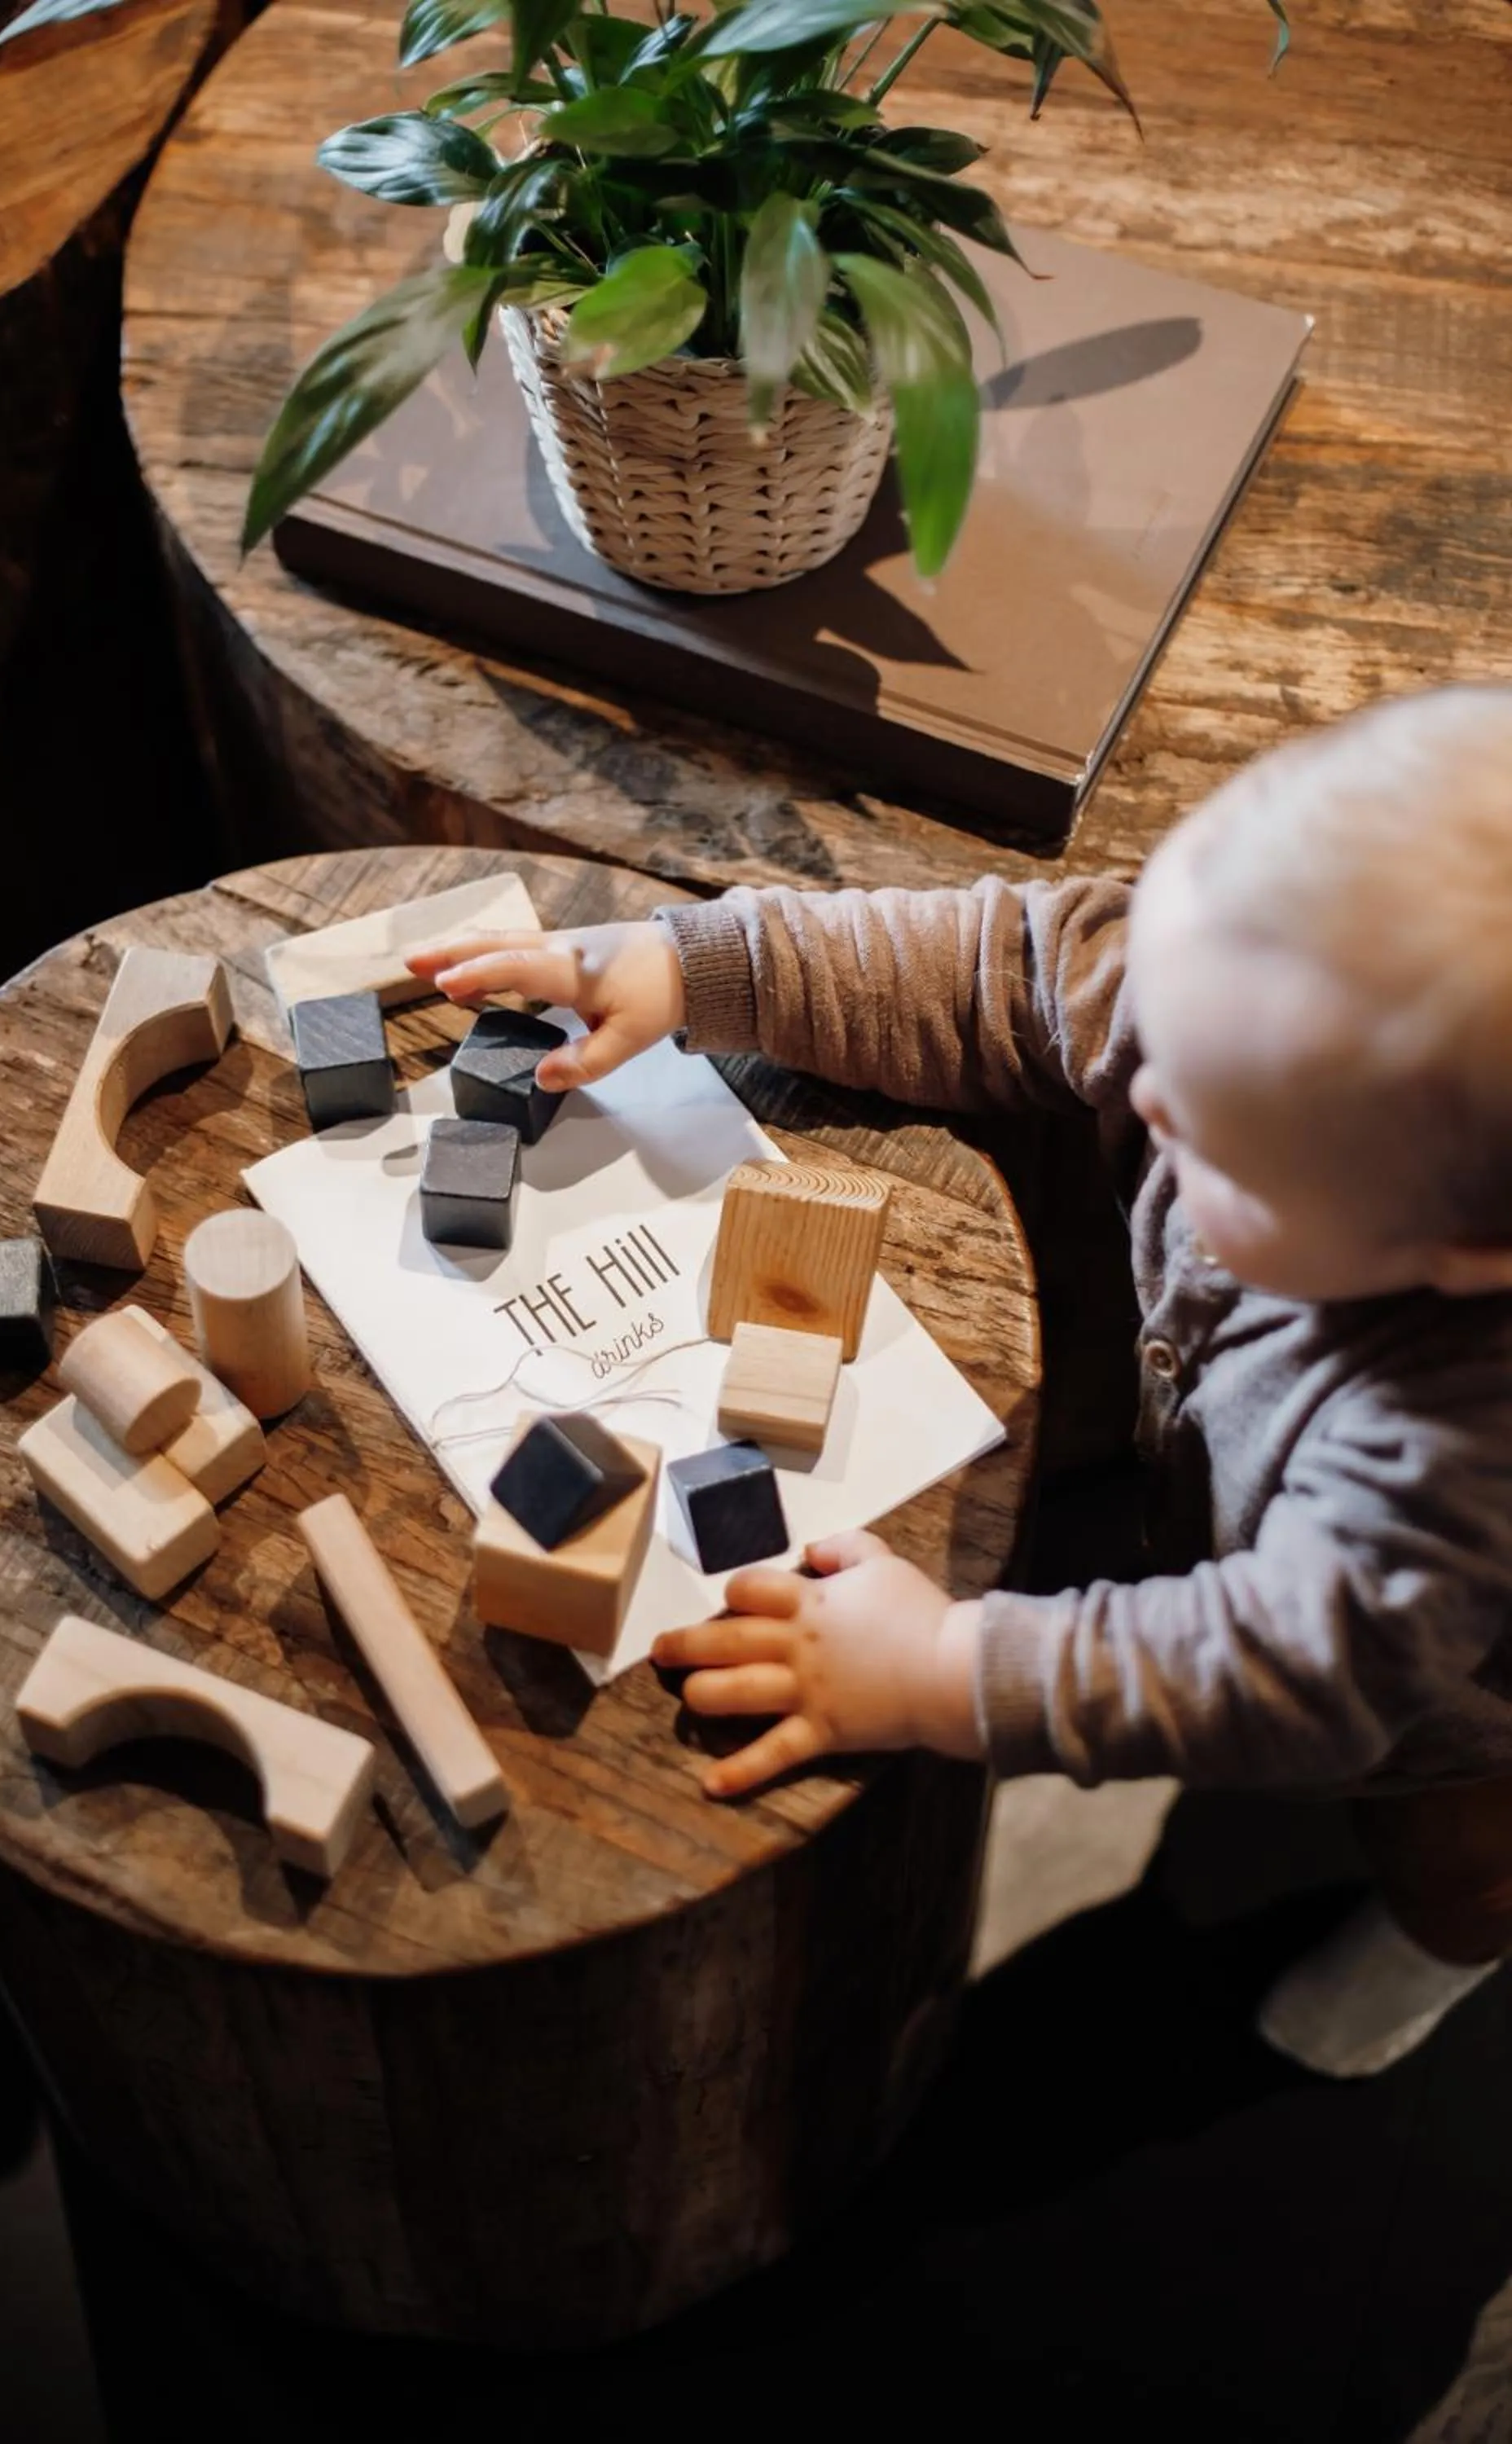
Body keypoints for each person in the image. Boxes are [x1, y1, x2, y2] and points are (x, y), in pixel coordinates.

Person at [408, 687, 1512, 2077]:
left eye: (1221, 1149)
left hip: (1454, 1709)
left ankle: (1446, 1950)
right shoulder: (1233, 1013)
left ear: (1466, 1257)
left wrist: (943, 1671)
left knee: (1448, 1841)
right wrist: (703, 969)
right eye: (1161, 1037)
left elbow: (1289, 1672)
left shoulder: (1452, 1448)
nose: (1146, 1093)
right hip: (1253, 1513)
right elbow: (1019, 966)